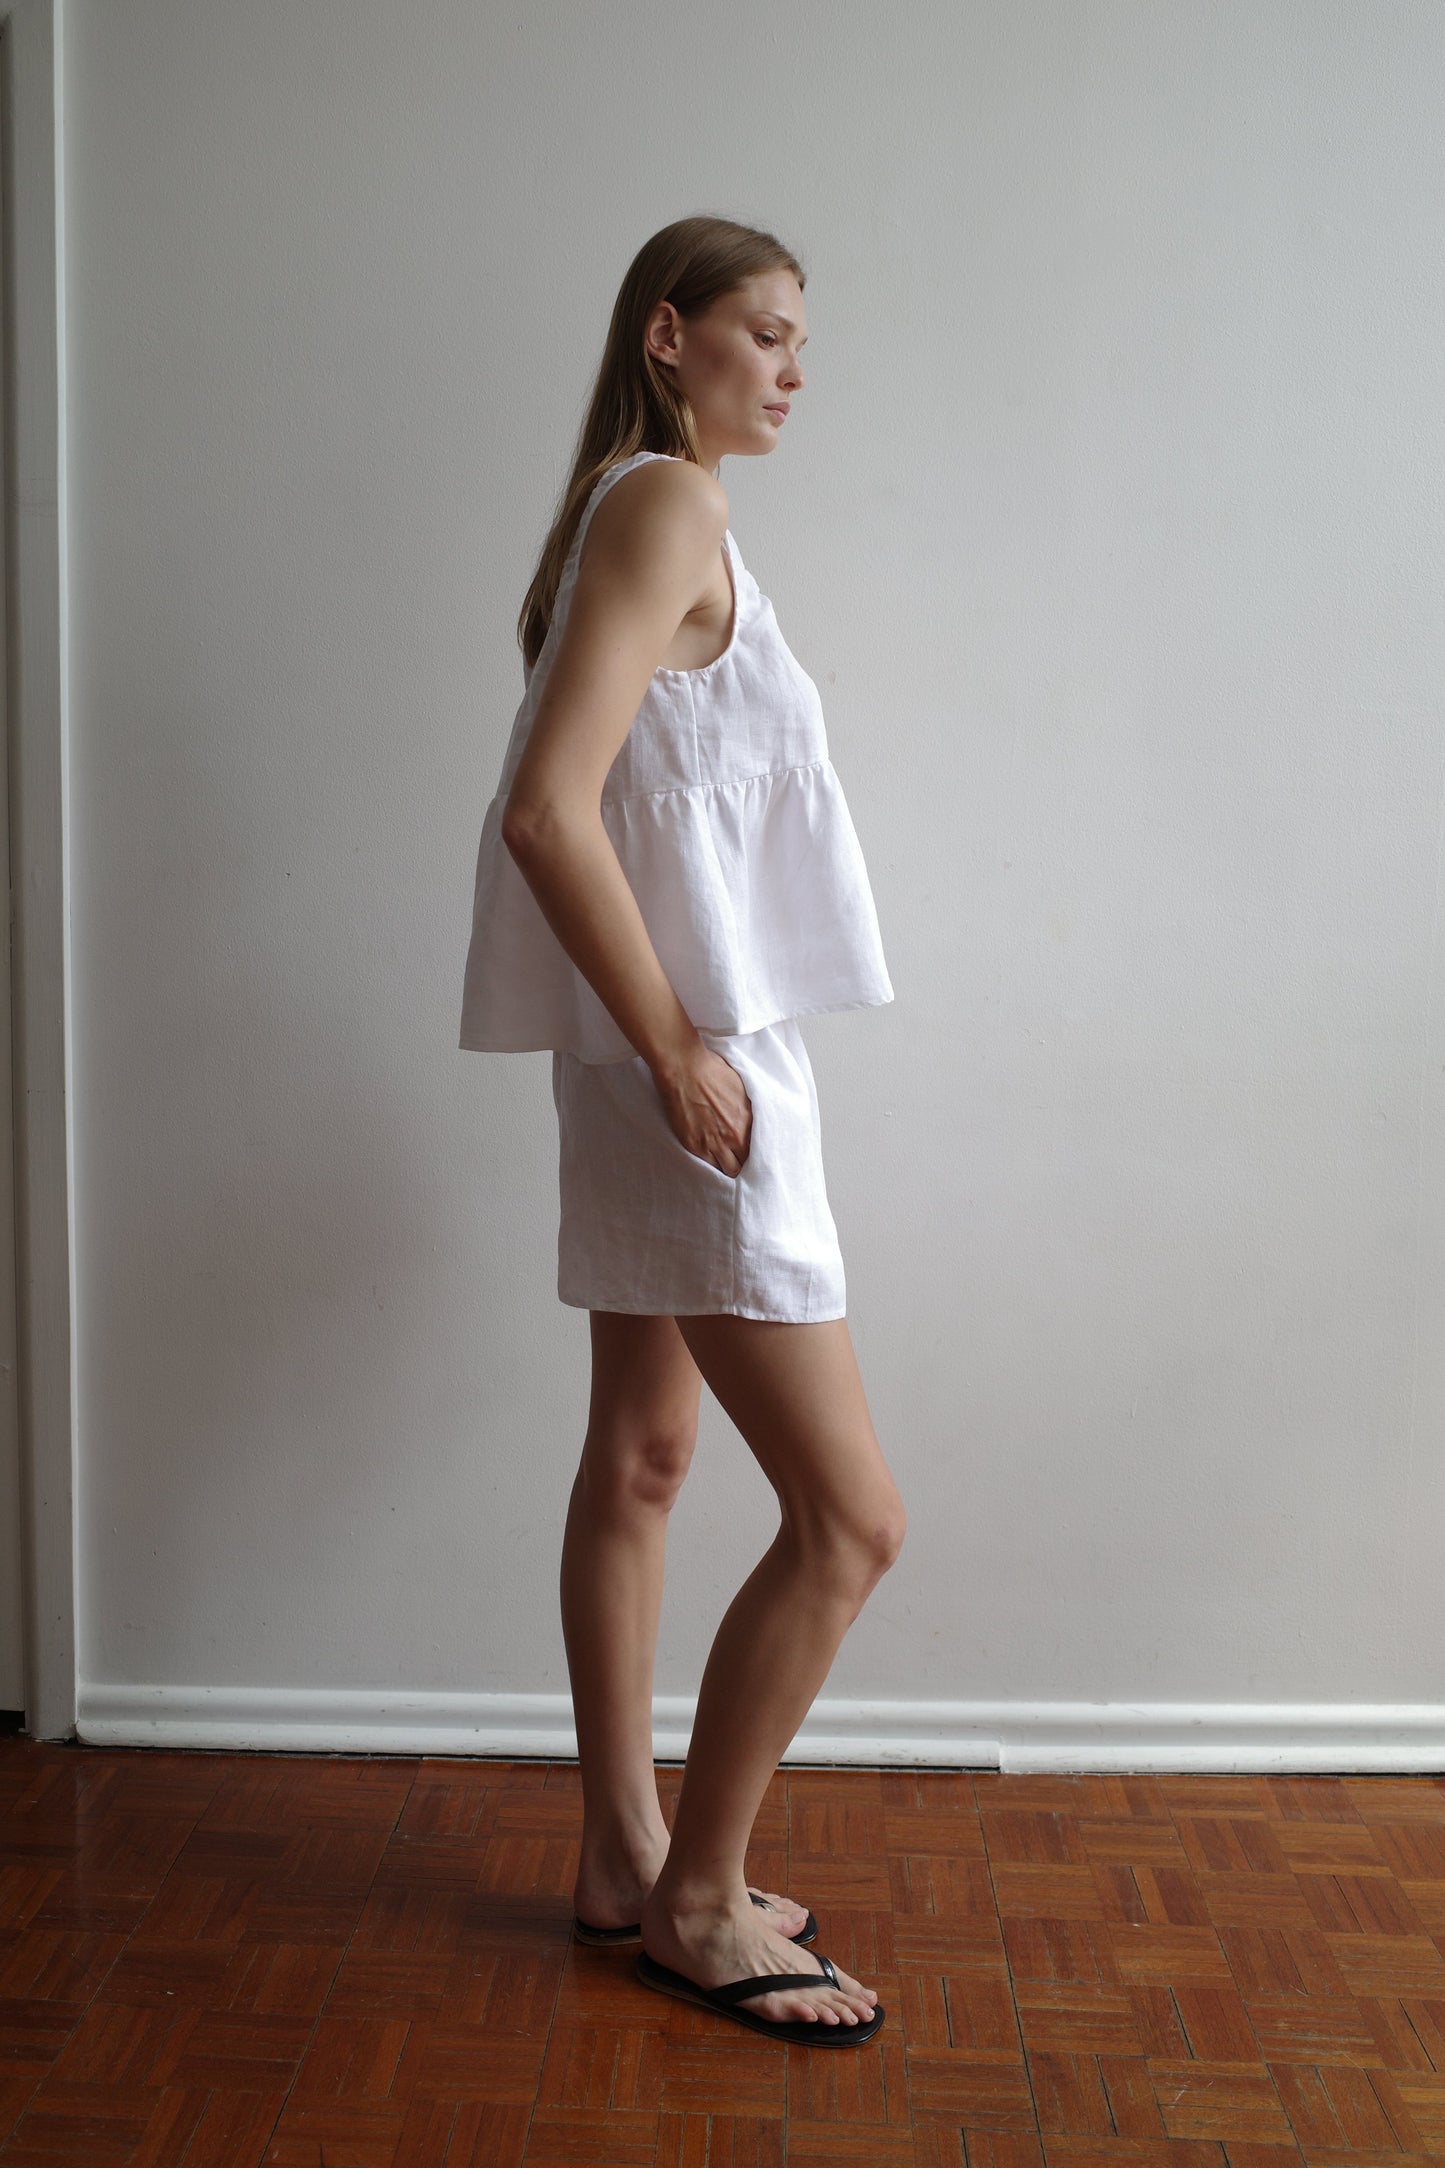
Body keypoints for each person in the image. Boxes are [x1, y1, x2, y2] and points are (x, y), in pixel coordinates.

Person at [458, 214, 905, 2046]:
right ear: (670, 335)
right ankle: (698, 1903)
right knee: (850, 1520)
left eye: (804, 339)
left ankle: (622, 1853)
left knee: (643, 1459)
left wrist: (654, 1055)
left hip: (661, 1067)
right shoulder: (668, 507)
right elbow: (545, 815)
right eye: (765, 333)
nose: (794, 367)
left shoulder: (639, 508)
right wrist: (673, 1054)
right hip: (688, 1076)